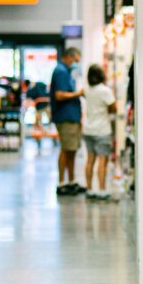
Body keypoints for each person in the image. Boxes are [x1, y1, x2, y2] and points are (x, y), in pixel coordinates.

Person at [50, 47, 85, 195]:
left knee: (72, 150)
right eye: (75, 61)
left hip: (72, 117)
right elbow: (59, 95)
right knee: (66, 149)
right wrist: (78, 93)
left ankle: (71, 181)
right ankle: (62, 182)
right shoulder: (61, 72)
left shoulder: (66, 72)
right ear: (69, 57)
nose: (76, 64)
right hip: (65, 118)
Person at [82, 64, 116, 200]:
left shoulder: (86, 90)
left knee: (90, 160)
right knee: (102, 160)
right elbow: (114, 108)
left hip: (88, 129)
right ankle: (102, 190)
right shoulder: (105, 90)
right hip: (102, 130)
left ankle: (89, 189)